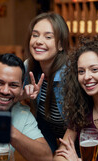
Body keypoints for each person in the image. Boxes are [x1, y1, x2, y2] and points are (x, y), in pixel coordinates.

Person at [23, 12, 70, 153]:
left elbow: (80, 120)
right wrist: (24, 95)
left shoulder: (71, 73)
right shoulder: (28, 67)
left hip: (76, 135)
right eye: (35, 35)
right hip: (47, 131)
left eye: (48, 37)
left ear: (61, 45)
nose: (38, 41)